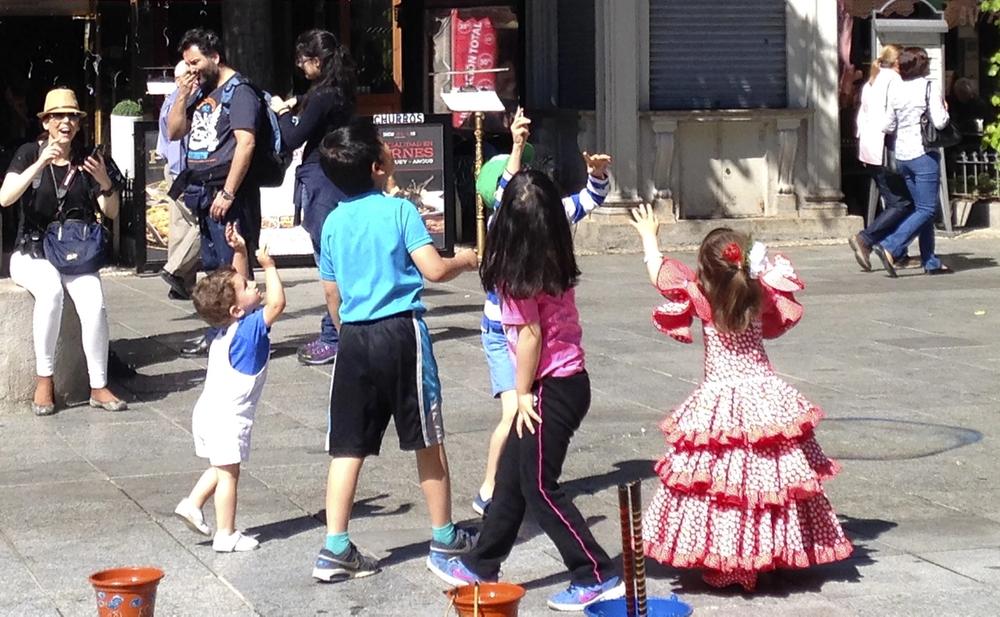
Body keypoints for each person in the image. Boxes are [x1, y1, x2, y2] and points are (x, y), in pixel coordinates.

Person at [428, 169, 625, 612]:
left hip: (549, 388)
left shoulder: (515, 276)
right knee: (513, 477)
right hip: (563, 382)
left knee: (538, 485)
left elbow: (531, 336)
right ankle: (481, 564)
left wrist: (520, 394)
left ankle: (595, 573)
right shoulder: (552, 257)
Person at [628, 204, 853, 591]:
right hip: (765, 394)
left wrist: (649, 237)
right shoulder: (759, 289)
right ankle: (773, 548)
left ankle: (735, 558)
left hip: (721, 398)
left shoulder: (702, 298)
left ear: (704, 270)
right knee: (770, 479)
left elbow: (660, 275)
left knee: (725, 484)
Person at [311, 119, 480, 582]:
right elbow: (434, 270)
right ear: (376, 166)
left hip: (353, 337)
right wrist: (465, 261)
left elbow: (331, 293)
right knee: (427, 437)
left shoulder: (332, 222)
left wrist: (345, 329)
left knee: (347, 445)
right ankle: (444, 536)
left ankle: (335, 546)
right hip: (401, 332)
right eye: (384, 148)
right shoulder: (400, 211)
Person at [470, 108, 612, 518]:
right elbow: (504, 188)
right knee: (514, 410)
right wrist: (515, 145)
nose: (528, 179)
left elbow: (591, 198)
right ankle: (490, 489)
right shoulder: (506, 216)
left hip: (532, 336)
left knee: (525, 414)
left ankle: (515, 486)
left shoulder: (547, 211)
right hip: (503, 332)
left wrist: (597, 174)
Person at [0, 88, 127, 415]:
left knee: (94, 301)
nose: (65, 123)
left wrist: (105, 183)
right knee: (51, 292)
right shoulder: (29, 152)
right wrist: (40, 163)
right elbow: (6, 197)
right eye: (58, 116)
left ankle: (98, 384)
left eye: (71, 116)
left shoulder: (89, 159)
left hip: (75, 252)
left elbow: (111, 212)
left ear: (79, 123)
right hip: (32, 252)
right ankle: (45, 380)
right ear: (46, 122)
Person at [173, 222, 284, 552]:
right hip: (228, 418)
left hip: (208, 412)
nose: (252, 283)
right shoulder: (250, 330)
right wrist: (270, 267)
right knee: (229, 475)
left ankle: (192, 504)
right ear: (236, 309)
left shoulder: (225, 328)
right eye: (247, 285)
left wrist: (240, 251)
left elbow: (237, 283)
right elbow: (277, 305)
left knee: (220, 466)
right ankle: (226, 534)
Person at [166, 29, 263, 355]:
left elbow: (246, 143)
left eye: (195, 62)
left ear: (215, 57)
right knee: (215, 270)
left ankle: (246, 334)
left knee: (234, 266)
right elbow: (174, 131)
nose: (191, 69)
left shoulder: (240, 91)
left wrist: (229, 192)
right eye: (187, 64)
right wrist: (182, 94)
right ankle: (222, 332)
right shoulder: (201, 91)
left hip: (227, 193)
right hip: (203, 192)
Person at [269, 29, 356, 366]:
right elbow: (314, 105)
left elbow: (293, 137)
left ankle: (335, 335)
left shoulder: (322, 97)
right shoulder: (340, 90)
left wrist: (281, 111)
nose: (300, 67)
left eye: (303, 61)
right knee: (339, 257)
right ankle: (341, 329)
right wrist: (297, 102)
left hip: (321, 180)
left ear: (317, 61)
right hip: (340, 178)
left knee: (329, 262)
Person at [872, 46, 953, 277]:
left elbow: (888, 125)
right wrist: (945, 110)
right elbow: (940, 121)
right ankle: (891, 246)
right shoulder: (929, 87)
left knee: (921, 208)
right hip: (923, 154)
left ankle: (930, 261)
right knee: (927, 209)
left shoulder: (896, 88)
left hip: (902, 155)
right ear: (922, 66)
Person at [849, 44, 917, 272]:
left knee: (895, 201)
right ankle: (867, 239)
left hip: (870, 148)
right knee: (903, 203)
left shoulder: (872, 81)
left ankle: (897, 252)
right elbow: (892, 116)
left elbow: (862, 116)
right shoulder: (894, 81)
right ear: (897, 62)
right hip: (885, 148)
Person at [158, 60, 200, 300]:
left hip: (174, 169)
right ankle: (175, 270)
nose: (194, 79)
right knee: (202, 224)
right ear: (178, 80)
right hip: (183, 172)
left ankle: (182, 285)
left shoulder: (170, 100)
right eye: (189, 75)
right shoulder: (180, 101)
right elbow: (175, 137)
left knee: (181, 227)